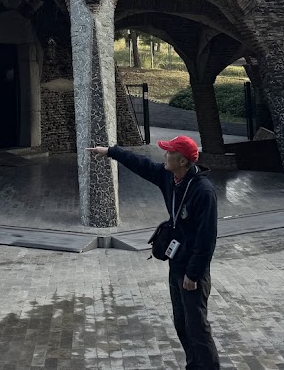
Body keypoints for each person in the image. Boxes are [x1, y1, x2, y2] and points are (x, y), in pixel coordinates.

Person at [89, 136, 220, 370]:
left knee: (197, 327)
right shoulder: (170, 177)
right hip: (176, 263)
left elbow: (206, 240)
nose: (164, 156)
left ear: (182, 161)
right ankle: (194, 366)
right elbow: (141, 164)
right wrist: (110, 151)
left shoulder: (203, 192)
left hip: (193, 271)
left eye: (169, 153)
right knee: (181, 323)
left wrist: (193, 274)